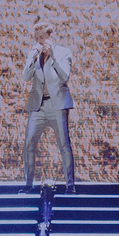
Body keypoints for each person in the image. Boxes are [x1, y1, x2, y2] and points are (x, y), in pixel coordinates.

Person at [19, 22, 76, 191]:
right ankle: (28, 184)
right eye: (37, 38)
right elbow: (25, 77)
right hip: (38, 105)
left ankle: (70, 186)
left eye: (42, 37)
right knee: (29, 143)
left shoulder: (63, 52)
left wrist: (53, 57)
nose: (39, 41)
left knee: (64, 144)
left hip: (57, 104)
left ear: (50, 37)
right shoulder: (34, 54)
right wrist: (32, 58)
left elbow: (65, 76)